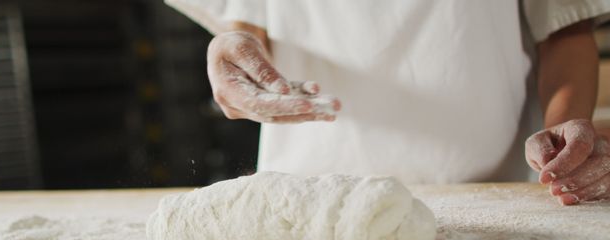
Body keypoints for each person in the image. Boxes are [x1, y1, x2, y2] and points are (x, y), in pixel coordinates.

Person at [167, 0, 610, 205]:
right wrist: (229, 48)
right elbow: (249, 19)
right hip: (309, 198)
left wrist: (565, 125)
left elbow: (564, 26)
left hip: (493, 192)